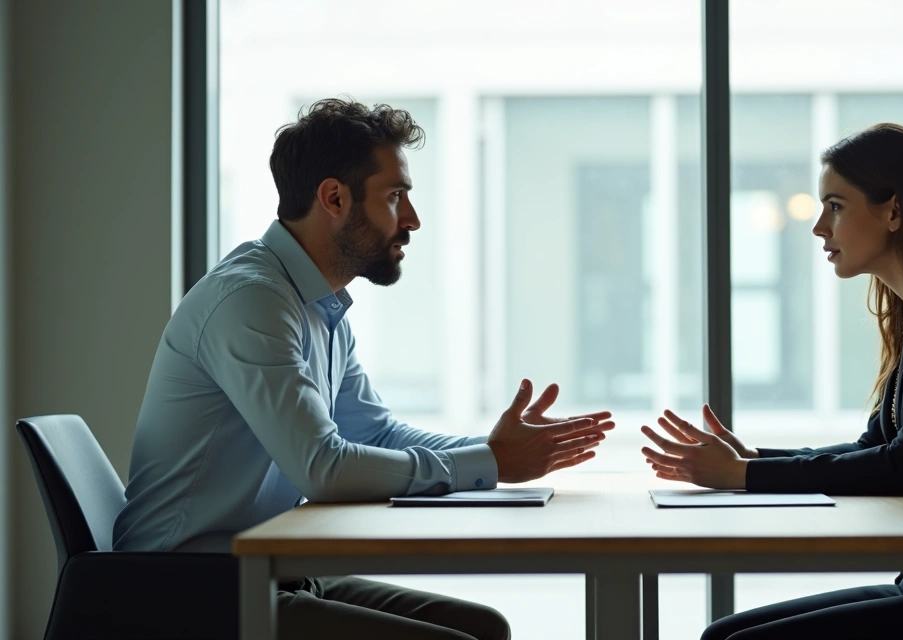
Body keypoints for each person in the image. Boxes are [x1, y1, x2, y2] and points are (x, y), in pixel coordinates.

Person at [113, 98, 615, 640]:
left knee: (483, 628)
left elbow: (375, 431)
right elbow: (323, 470)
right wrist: (490, 463)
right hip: (186, 592)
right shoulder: (253, 301)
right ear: (334, 197)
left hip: (271, 574)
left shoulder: (318, 305)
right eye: (395, 196)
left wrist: (492, 450)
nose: (413, 219)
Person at [640, 123, 903, 640]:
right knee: (722, 636)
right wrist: (754, 460)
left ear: (894, 211)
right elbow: (876, 447)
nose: (819, 228)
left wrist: (742, 477)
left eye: (836, 206)